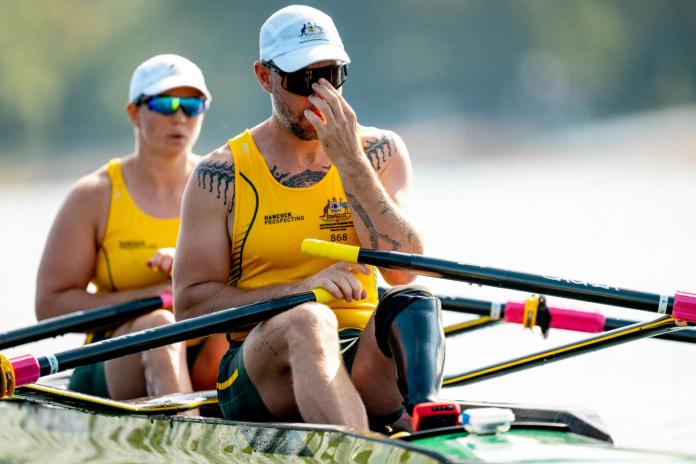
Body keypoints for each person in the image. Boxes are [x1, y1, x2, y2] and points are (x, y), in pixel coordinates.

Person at [174, 5, 446, 431]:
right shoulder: (220, 175)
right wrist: (299, 291)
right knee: (308, 318)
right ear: (265, 77)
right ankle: (364, 450)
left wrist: (351, 163)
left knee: (413, 302)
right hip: (259, 368)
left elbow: (402, 271)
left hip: (358, 355)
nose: (321, 95)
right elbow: (189, 309)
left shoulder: (379, 153)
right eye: (303, 80)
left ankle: (429, 420)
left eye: (332, 76)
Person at [35, 54, 227, 402]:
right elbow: (50, 305)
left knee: (245, 332)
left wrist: (184, 270)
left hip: (205, 350)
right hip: (115, 358)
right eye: (165, 103)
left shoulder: (222, 185)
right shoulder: (94, 196)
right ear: (133, 113)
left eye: (192, 104)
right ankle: (183, 447)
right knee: (159, 326)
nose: (180, 116)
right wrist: (150, 295)